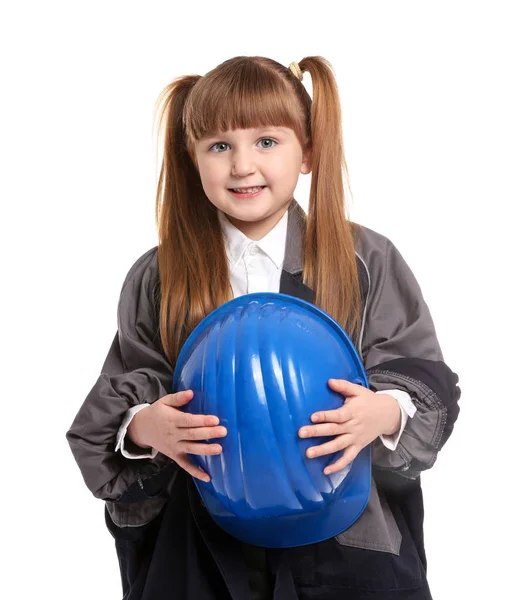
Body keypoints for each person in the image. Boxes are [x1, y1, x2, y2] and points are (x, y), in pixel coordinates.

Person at [66, 56, 461, 600]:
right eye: (219, 146)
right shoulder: (160, 276)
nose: (243, 166)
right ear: (193, 159)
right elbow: (126, 387)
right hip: (199, 539)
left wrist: (383, 411)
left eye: (267, 142)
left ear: (308, 150)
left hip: (342, 535)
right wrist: (144, 427)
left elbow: (421, 375)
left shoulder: (363, 259)